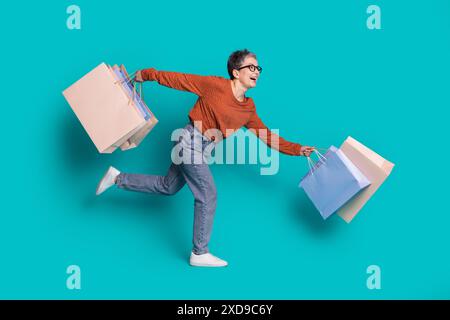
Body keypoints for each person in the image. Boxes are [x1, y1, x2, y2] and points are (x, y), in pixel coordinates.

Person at [96, 49, 315, 267]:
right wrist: (149, 74)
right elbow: (180, 80)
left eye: (258, 68)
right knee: (208, 192)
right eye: (251, 67)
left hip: (202, 149)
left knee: (167, 186)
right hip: (189, 140)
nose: (256, 71)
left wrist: (297, 149)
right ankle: (199, 252)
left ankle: (117, 178)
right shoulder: (216, 85)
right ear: (236, 72)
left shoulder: (248, 108)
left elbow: (267, 135)